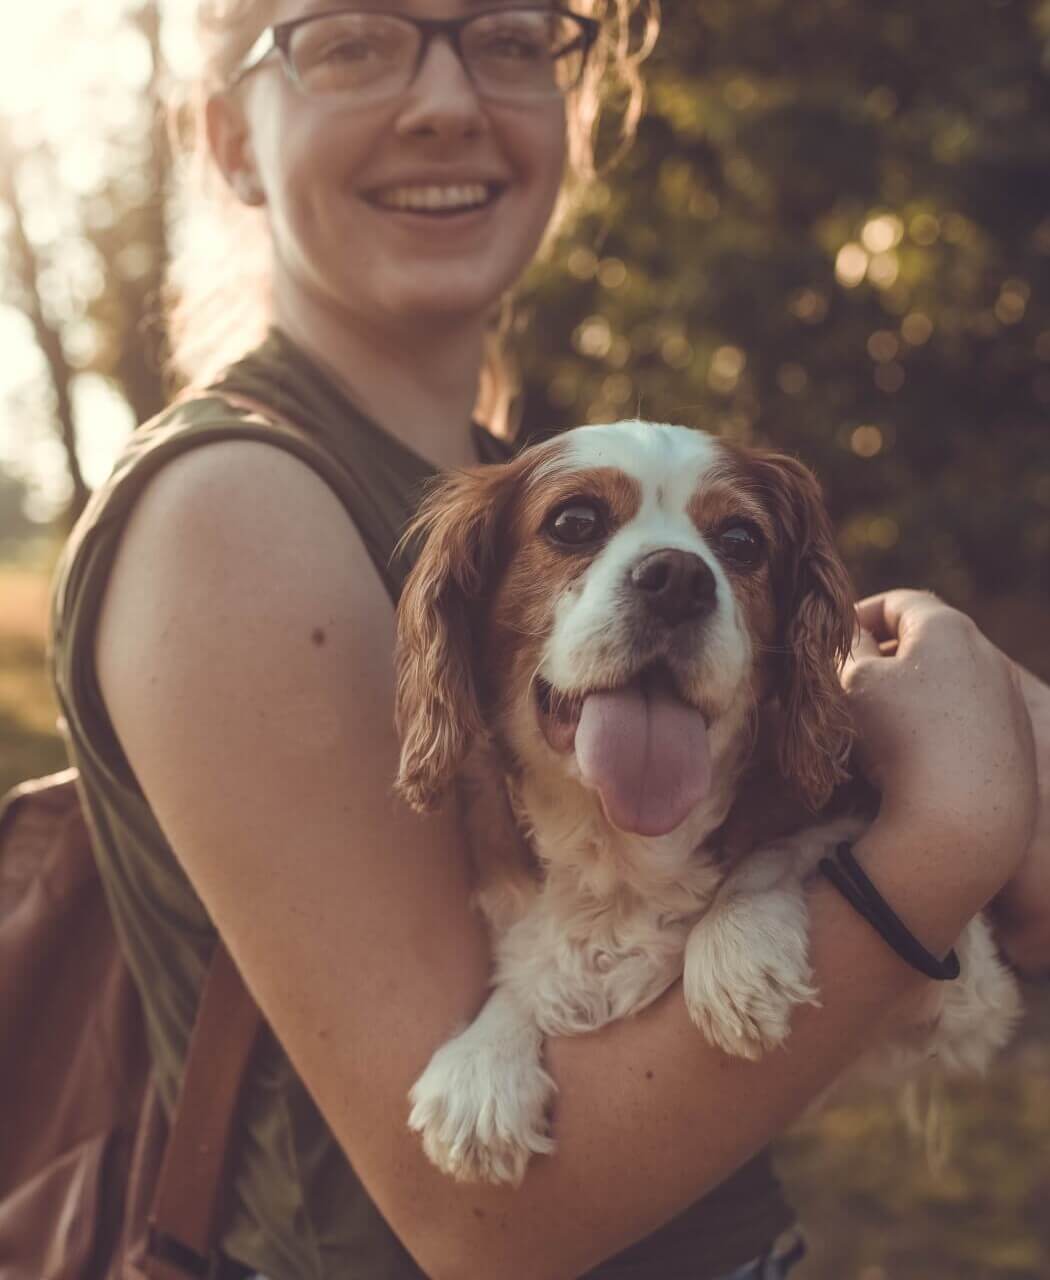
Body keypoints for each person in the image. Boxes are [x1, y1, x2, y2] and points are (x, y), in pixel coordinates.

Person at [45, 2, 1048, 1278]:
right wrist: (953, 831)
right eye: (354, 38)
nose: (448, 98)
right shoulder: (231, 508)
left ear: (572, 110)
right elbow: (478, 1217)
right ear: (229, 134)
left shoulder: (507, 484)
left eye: (509, 39)